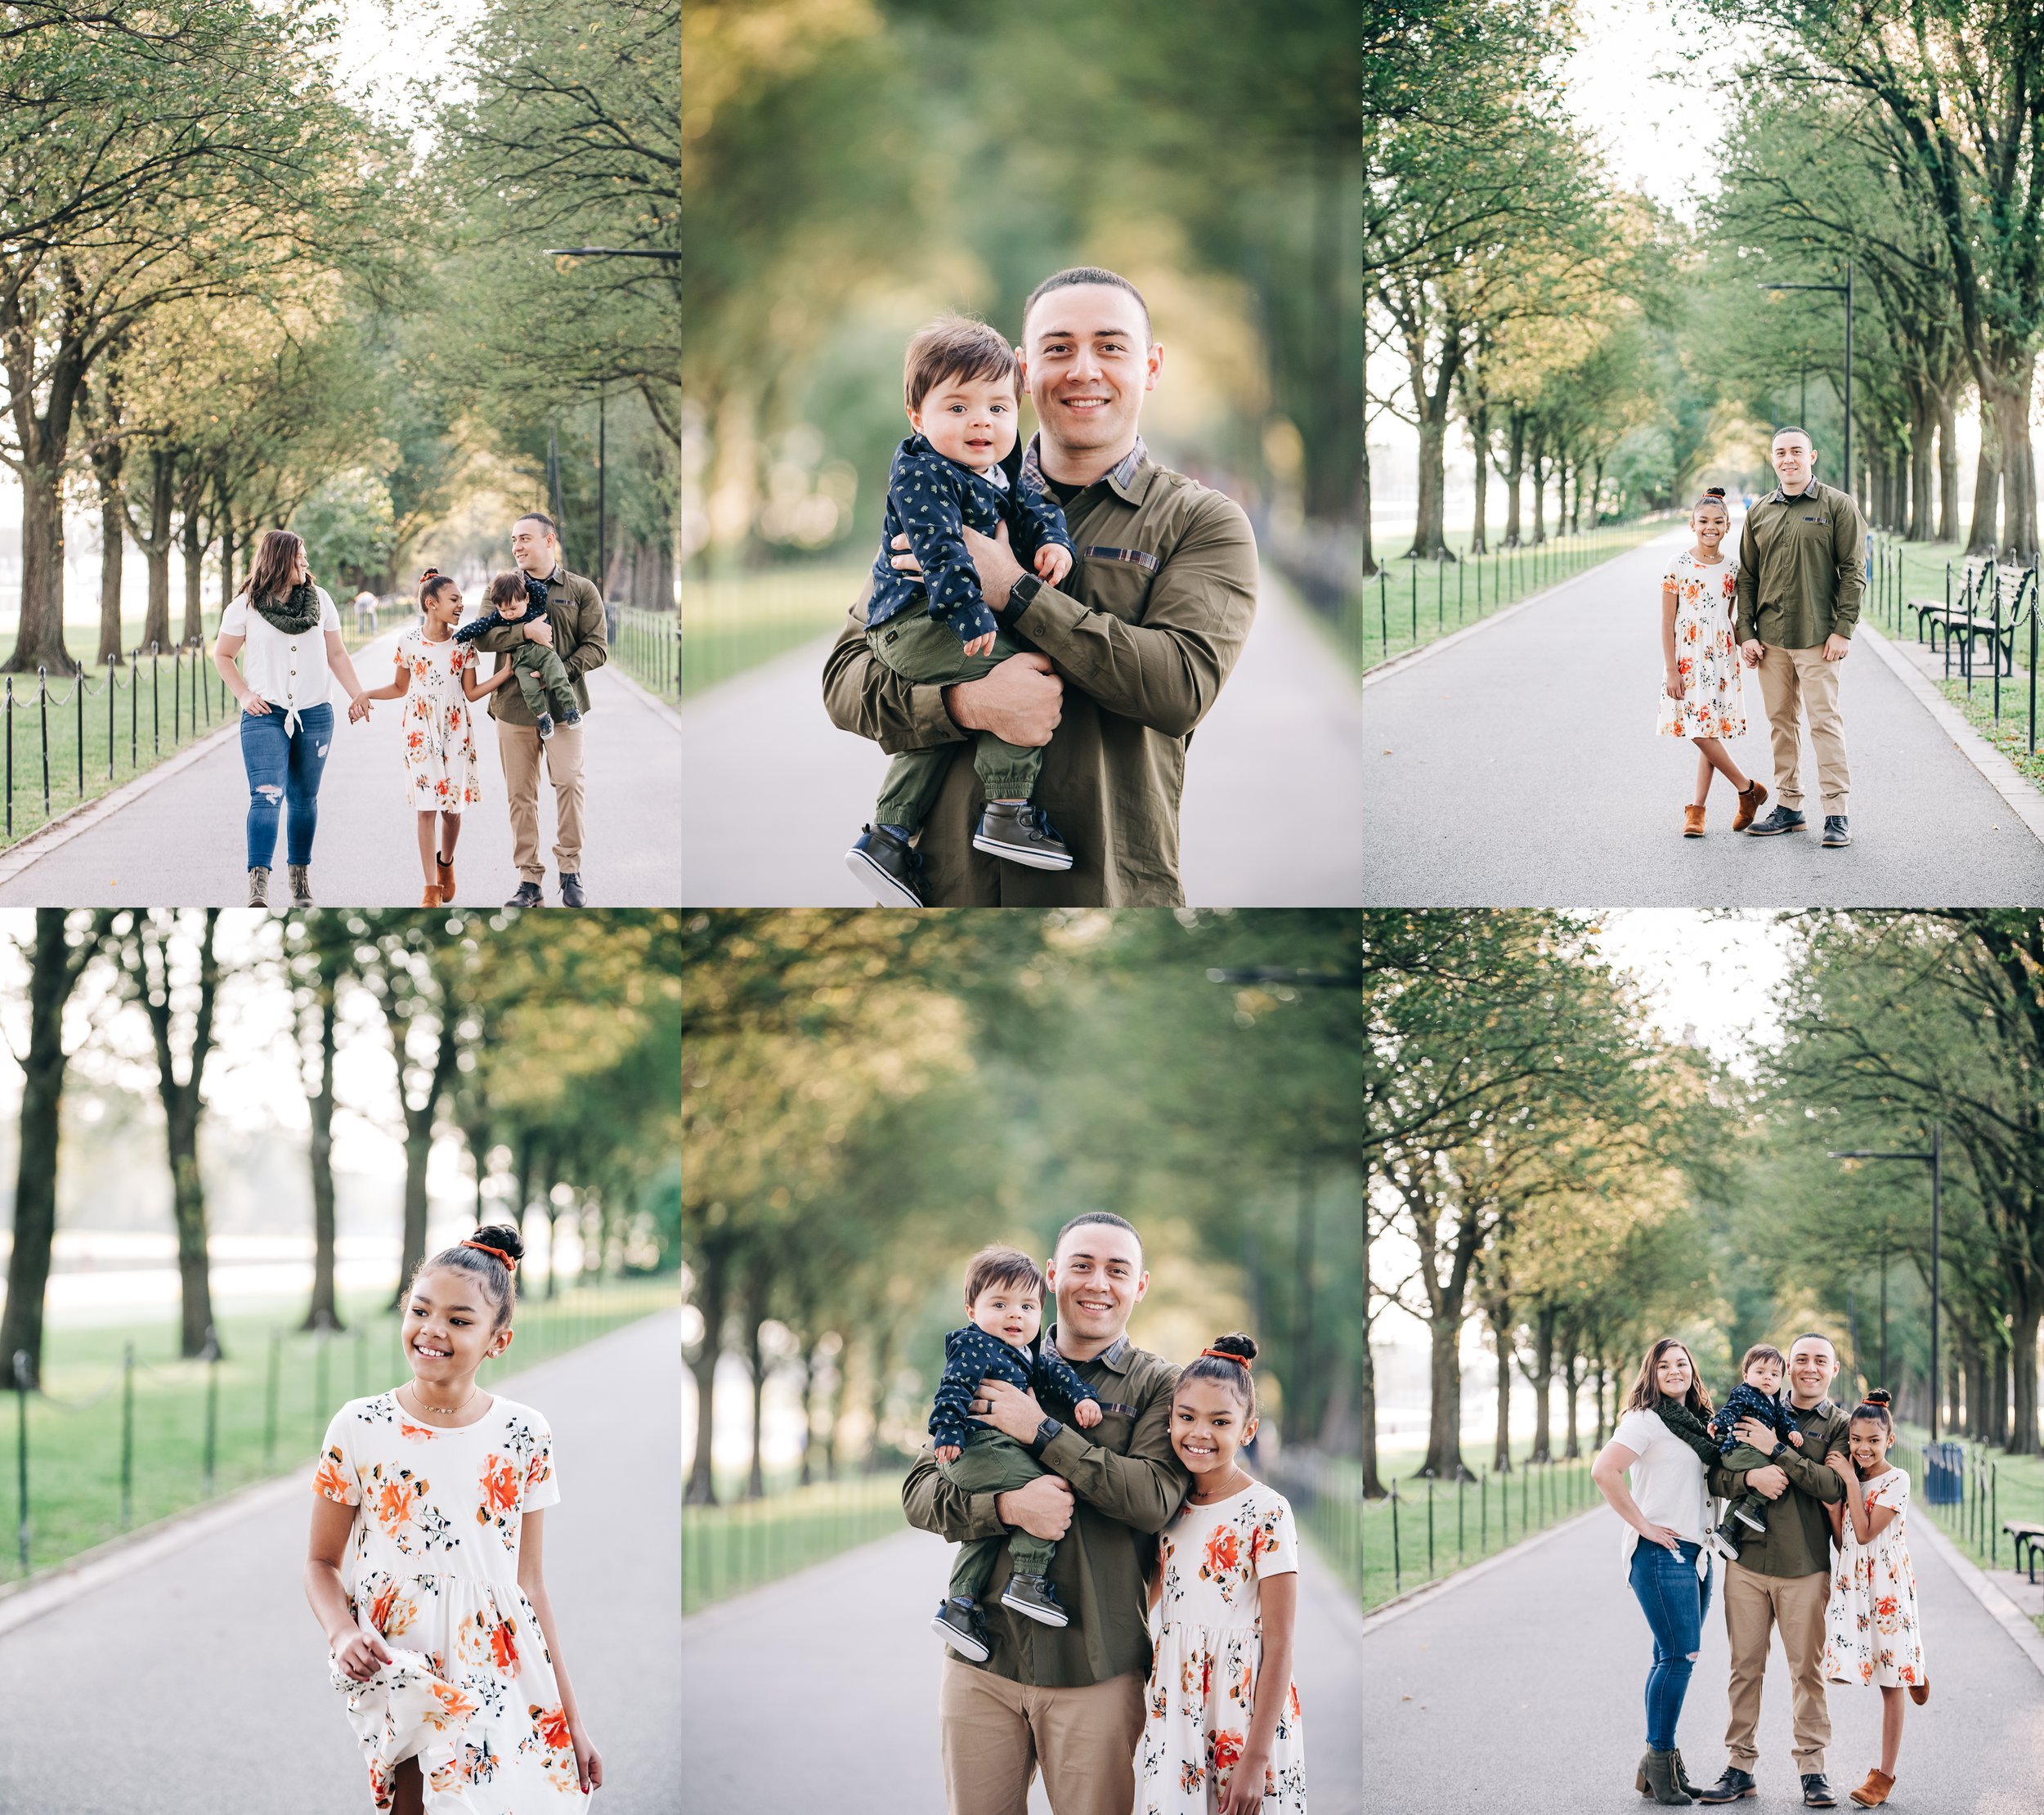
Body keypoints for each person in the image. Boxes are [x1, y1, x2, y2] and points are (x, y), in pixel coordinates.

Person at [823, 267, 1259, 907]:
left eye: (1111, 347)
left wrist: (1015, 590)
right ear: (1026, 371)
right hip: (948, 890)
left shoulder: (1201, 521)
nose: (1083, 370)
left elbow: (1180, 689)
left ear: (1152, 366)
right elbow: (846, 679)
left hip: (1102, 893)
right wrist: (963, 705)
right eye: (1059, 349)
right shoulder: (946, 496)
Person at [303, 1225, 603, 1813]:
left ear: (499, 1340)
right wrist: (342, 1633)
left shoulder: (524, 1434)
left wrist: (572, 1719)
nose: (433, 1330)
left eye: (460, 1321)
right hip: (398, 1659)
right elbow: (319, 1562)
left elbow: (531, 1584)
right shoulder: (359, 1426)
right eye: (421, 1310)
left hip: (496, 1658)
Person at [901, 1211, 1188, 1815]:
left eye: (1118, 1270)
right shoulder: (990, 1358)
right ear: (1054, 1276)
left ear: (1139, 1286)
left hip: (1096, 1669)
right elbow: (920, 1494)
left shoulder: (1160, 1386)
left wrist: (1043, 1431)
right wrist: (1006, 1506)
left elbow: (1153, 1499)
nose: (1098, 1283)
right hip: (982, 1662)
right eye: (1082, 1265)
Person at [845, 315, 1080, 905]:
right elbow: (941, 551)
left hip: (936, 624)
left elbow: (1035, 508)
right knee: (1026, 673)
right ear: (917, 417)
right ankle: (1006, 809)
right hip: (918, 623)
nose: (982, 420)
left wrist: (1055, 542)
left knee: (938, 733)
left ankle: (888, 837)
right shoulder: (920, 471)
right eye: (958, 408)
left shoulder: (1001, 470)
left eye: (999, 408)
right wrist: (972, 614)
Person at [1140, 1333, 1305, 1815]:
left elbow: (1279, 1642)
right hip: (1178, 1707)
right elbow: (1148, 1599)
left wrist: (1255, 1759)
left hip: (1245, 1715)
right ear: (1170, 1418)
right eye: (1187, 1417)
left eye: (1220, 1422)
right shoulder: (1168, 1506)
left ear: (1247, 1431)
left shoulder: (1267, 1511)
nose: (1200, 1433)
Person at [1697, 1332, 1851, 1809]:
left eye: (1819, 1360)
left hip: (1804, 1568)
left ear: (1833, 1370)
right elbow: (1717, 1472)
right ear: (1787, 1367)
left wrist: (1777, 1450)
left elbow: (1831, 1486)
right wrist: (1751, 1477)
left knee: (1807, 1671)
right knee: (1744, 1669)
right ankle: (1739, 1767)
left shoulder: (1841, 1425)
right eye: (1800, 1359)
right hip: (1745, 1563)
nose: (1809, 1367)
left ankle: (1813, 1769)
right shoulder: (1754, 1405)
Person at [928, 1246, 1103, 1656]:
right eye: (1000, 1303)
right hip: (976, 1447)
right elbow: (952, 1388)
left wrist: (1082, 1396)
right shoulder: (975, 1346)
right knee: (1046, 1492)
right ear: (972, 1310)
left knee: (989, 1531)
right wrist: (948, 1431)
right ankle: (1027, 1580)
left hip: (991, 1450)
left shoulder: (1026, 1353)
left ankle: (959, 1606)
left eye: (1027, 1306)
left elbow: (1057, 1373)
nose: (1015, 1315)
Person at [213, 528, 375, 910]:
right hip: (264, 714)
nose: (306, 562)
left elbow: (337, 654)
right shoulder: (245, 607)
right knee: (266, 797)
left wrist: (358, 694)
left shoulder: (320, 601)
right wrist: (244, 694)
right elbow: (222, 655)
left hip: (315, 712)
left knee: (304, 800)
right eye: (299, 556)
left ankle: (300, 879)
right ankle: (258, 886)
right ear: (280, 559)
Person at [1591, 1337, 1719, 1806]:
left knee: (1669, 1657)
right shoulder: (1644, 1420)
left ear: (1692, 1370)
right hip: (1663, 1552)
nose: (1674, 1372)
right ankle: (1661, 1762)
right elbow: (1605, 1471)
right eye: (1663, 1366)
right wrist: (1642, 1525)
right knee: (1679, 1658)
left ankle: (1656, 1765)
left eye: (1681, 1364)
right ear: (1652, 1372)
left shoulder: (1701, 1424)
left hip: (1699, 1554)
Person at [465, 513, 608, 908]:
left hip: (564, 708)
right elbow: (482, 635)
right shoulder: (502, 587)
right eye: (514, 540)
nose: (518, 546)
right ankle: (529, 880)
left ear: (550, 540)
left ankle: (570, 870)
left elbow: (597, 646)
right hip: (513, 707)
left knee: (569, 783)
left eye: (525, 538)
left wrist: (558, 673)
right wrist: (524, 631)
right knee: (520, 796)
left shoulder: (580, 589)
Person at [1736, 427, 1867, 849]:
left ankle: (1837, 813)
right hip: (1770, 639)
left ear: (1813, 456)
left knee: (1824, 723)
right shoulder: (1759, 511)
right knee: (1780, 724)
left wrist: (1843, 629)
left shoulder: (1837, 506)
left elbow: (1853, 572)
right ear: (1772, 459)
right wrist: (1746, 633)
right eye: (1780, 453)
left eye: (1796, 451)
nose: (1788, 459)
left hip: (1818, 638)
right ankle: (1789, 806)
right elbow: (1747, 576)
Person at [358, 571, 516, 906]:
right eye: (454, 599)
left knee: (452, 811)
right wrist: (366, 693)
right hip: (418, 730)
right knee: (425, 809)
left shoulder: (464, 642)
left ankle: (446, 863)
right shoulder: (408, 642)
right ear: (432, 604)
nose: (461, 605)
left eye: (460, 599)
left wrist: (503, 674)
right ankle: (430, 888)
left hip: (455, 730)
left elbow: (471, 693)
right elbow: (400, 688)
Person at [1821, 1389, 1927, 1810]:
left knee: (1889, 1684)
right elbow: (1846, 1540)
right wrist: (1834, 1509)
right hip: (1855, 1584)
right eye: (1856, 1440)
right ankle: (1911, 1667)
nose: (1863, 1449)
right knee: (1878, 1666)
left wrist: (1848, 1481)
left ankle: (1882, 1777)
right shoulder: (1857, 1478)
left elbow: (1867, 1534)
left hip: (1886, 1590)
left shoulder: (1895, 1480)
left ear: (1890, 1441)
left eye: (1873, 1441)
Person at [1660, 487, 1766, 836]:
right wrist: (1672, 669)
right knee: (1697, 730)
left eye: (1718, 522)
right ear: (1692, 524)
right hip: (1686, 659)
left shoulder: (1733, 568)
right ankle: (1747, 789)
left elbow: (1729, 617)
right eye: (1703, 521)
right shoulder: (1678, 565)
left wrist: (1746, 644)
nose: (1710, 527)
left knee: (1707, 729)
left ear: (1727, 527)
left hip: (1719, 658)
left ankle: (1698, 811)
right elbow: (1667, 623)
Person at [455, 571, 584, 742]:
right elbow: (480, 627)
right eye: (503, 610)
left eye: (513, 608)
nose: (509, 614)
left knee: (557, 676)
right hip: (521, 662)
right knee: (529, 690)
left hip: (544, 654)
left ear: (526, 598)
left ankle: (571, 709)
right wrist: (460, 636)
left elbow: (541, 590)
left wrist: (523, 584)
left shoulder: (535, 606)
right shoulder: (497, 618)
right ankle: (543, 718)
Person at [1707, 1343, 1804, 1557]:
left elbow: (1785, 1421)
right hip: (1738, 1451)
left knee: (1767, 1477)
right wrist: (1719, 1423)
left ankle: (1728, 1531)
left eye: (1774, 1374)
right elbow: (1730, 1410)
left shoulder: (1774, 1403)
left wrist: (1792, 1432)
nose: (1767, 1378)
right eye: (1760, 1372)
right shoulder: (1744, 1393)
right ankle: (1751, 1507)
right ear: (1746, 1375)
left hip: (1751, 1454)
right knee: (1776, 1473)